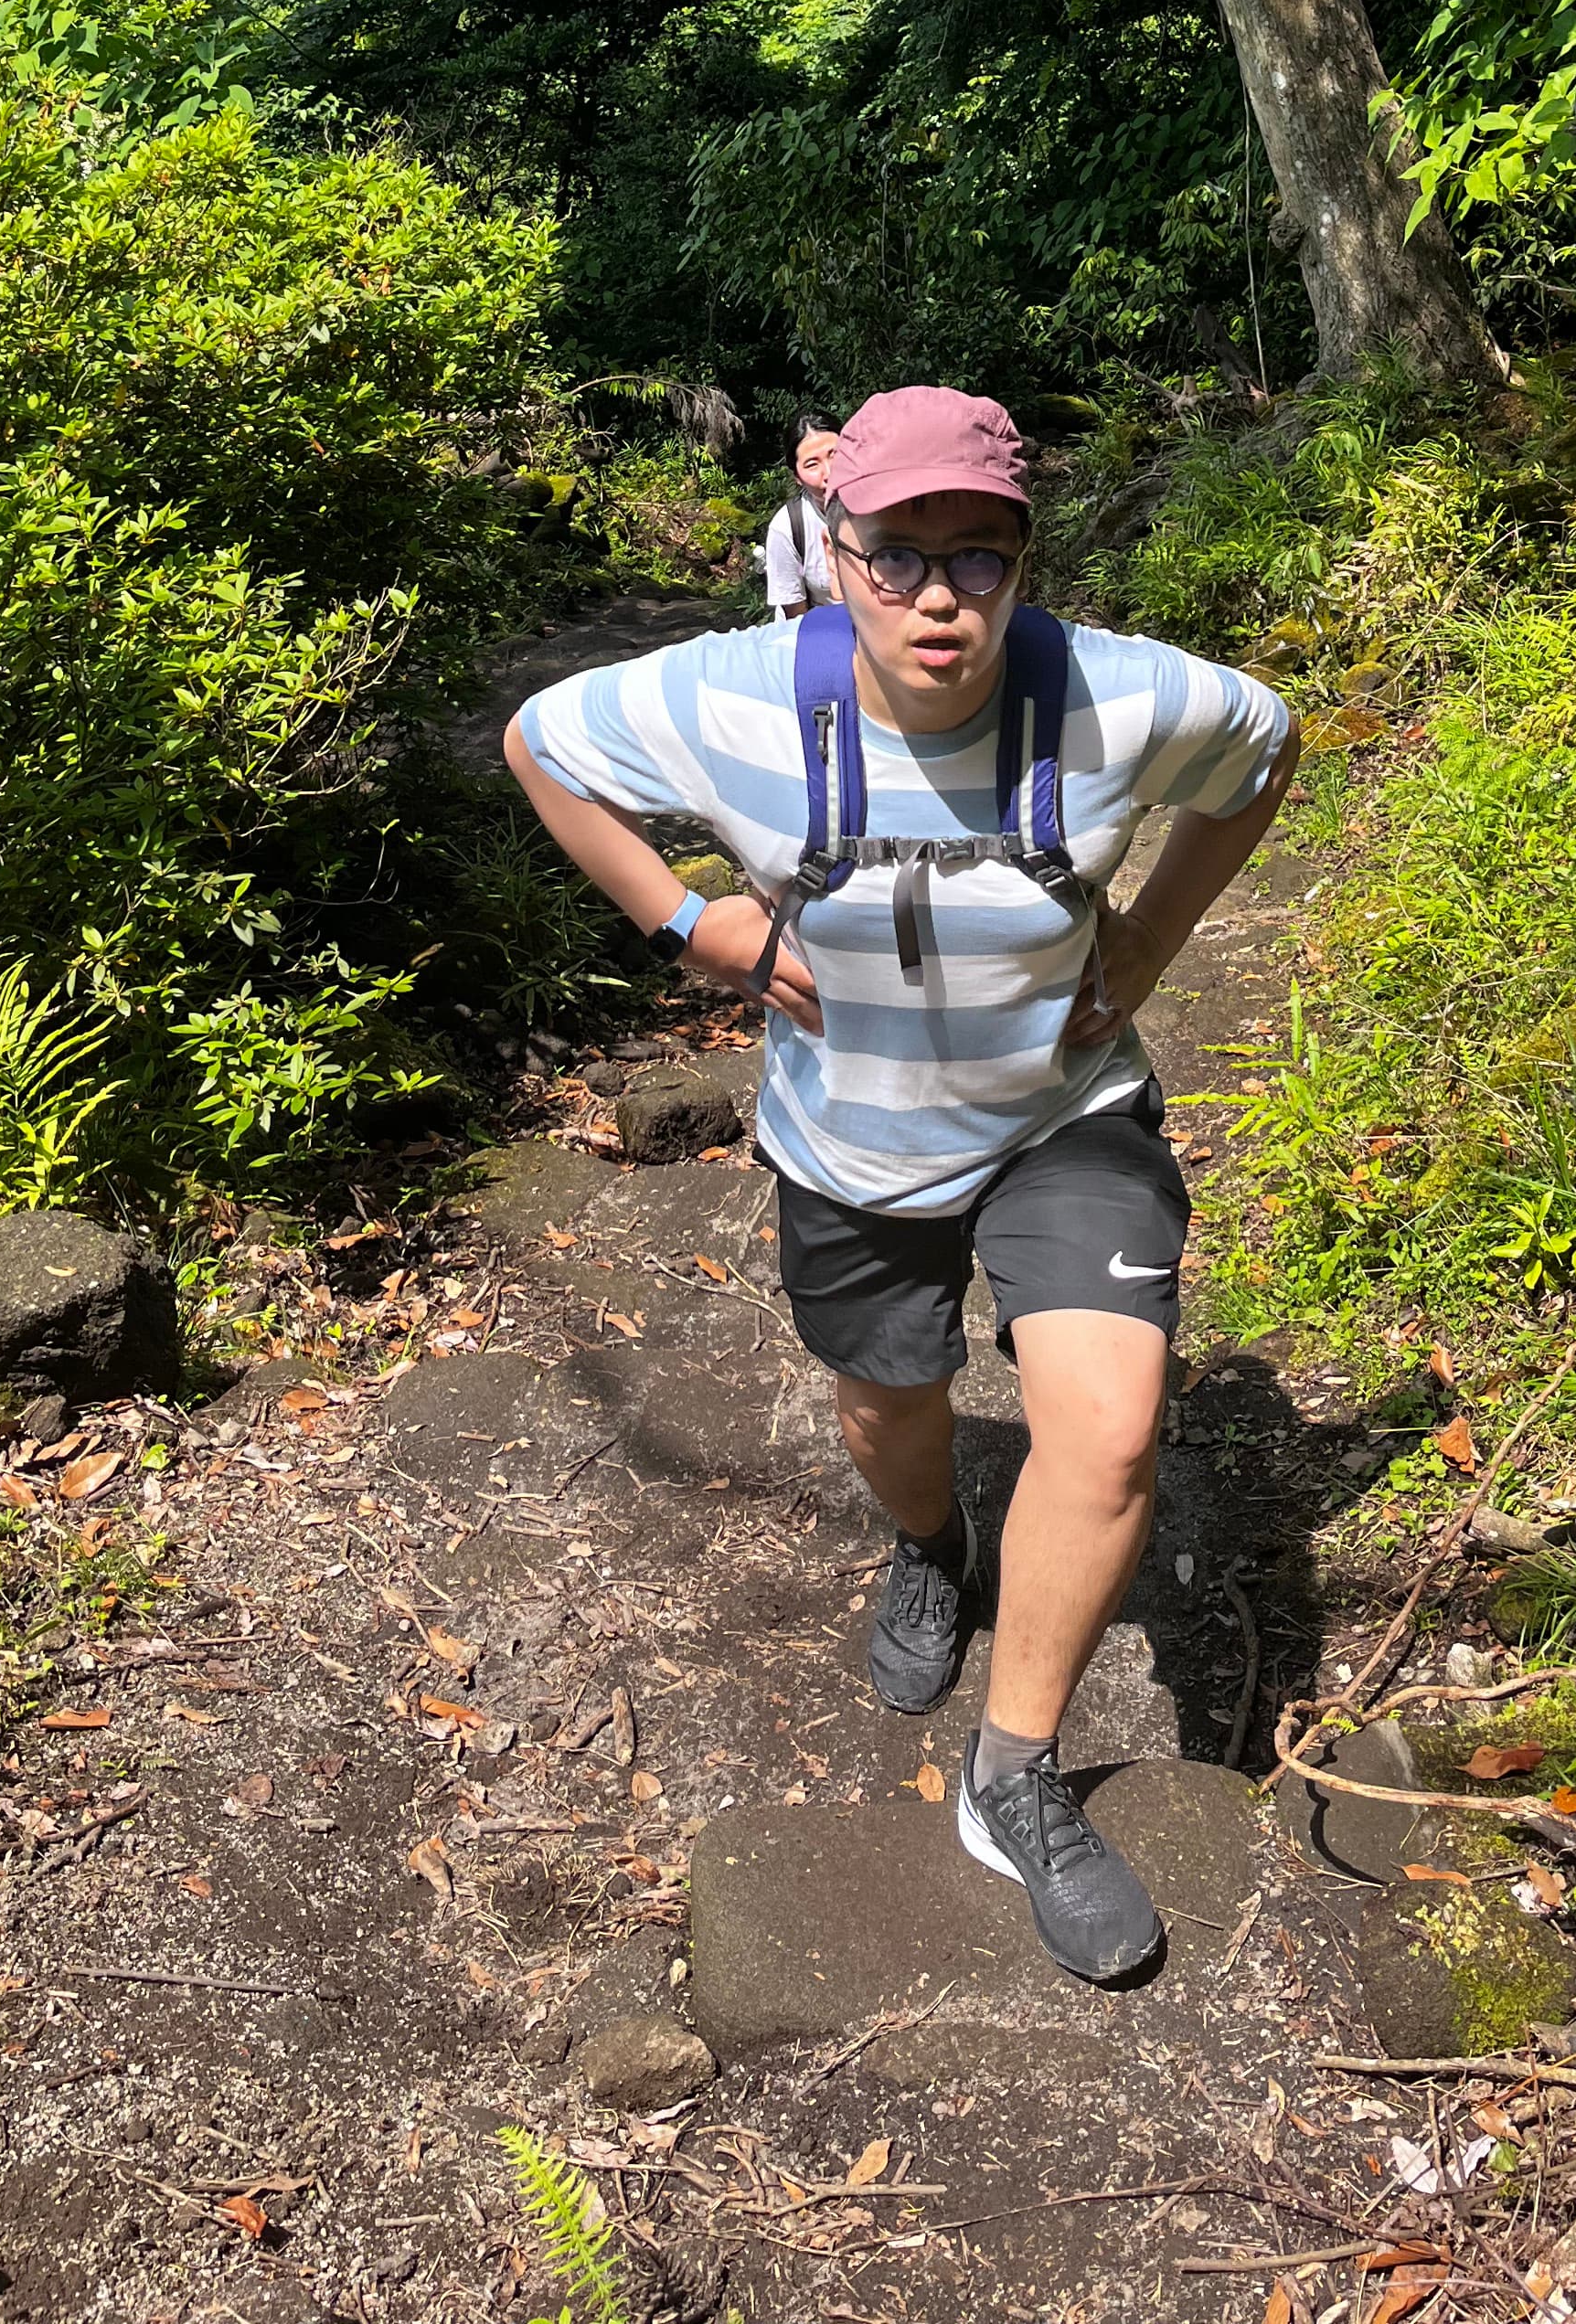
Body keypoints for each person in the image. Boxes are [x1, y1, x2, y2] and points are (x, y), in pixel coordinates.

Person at [504, 385, 1295, 1983]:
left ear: (1023, 558)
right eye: (895, 555)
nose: (937, 597)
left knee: (1114, 1424)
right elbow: (538, 743)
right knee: (891, 1407)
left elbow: (1263, 747)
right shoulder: (722, 699)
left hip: (1060, 1113)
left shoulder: (1117, 699)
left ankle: (1011, 1779)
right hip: (849, 1147)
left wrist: (1150, 936)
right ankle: (930, 1546)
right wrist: (689, 922)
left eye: (979, 556)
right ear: (829, 550)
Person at [761, 412, 841, 615]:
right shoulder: (787, 528)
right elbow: (797, 619)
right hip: (822, 630)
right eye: (812, 465)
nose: (830, 474)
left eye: (836, 455)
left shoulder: (883, 509)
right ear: (797, 477)